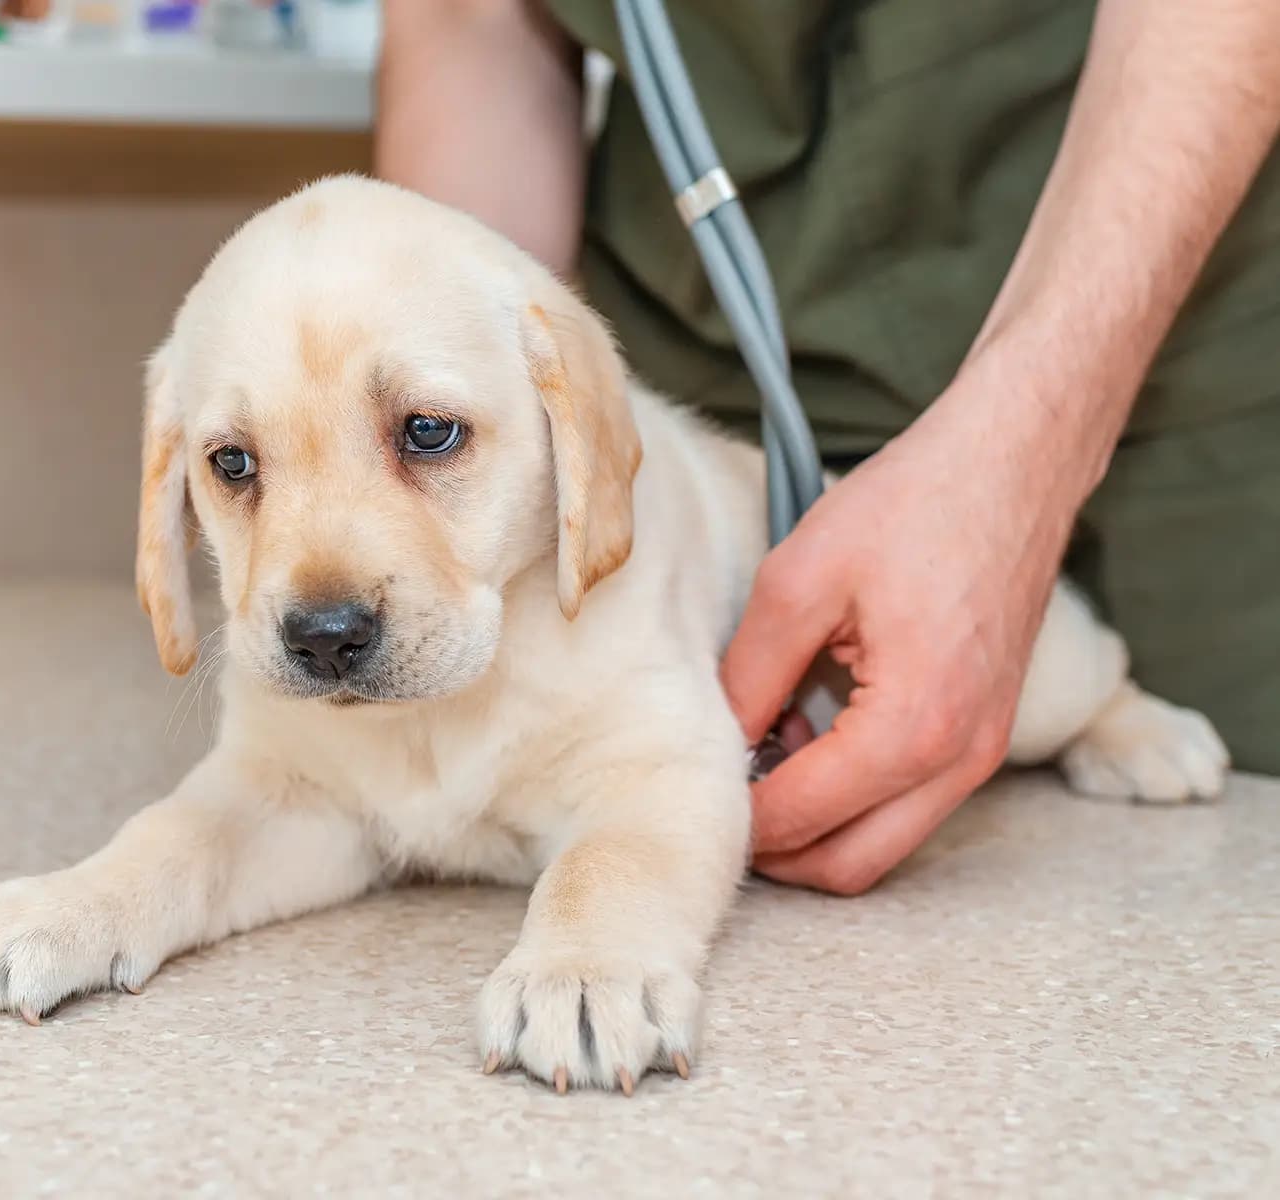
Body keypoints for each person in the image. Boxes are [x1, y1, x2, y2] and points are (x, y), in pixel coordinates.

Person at [375, 0, 1280, 893]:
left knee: (1190, 841)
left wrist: (1016, 479)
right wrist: (445, 436)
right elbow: (469, 20)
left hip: (1149, 329)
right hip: (699, 375)